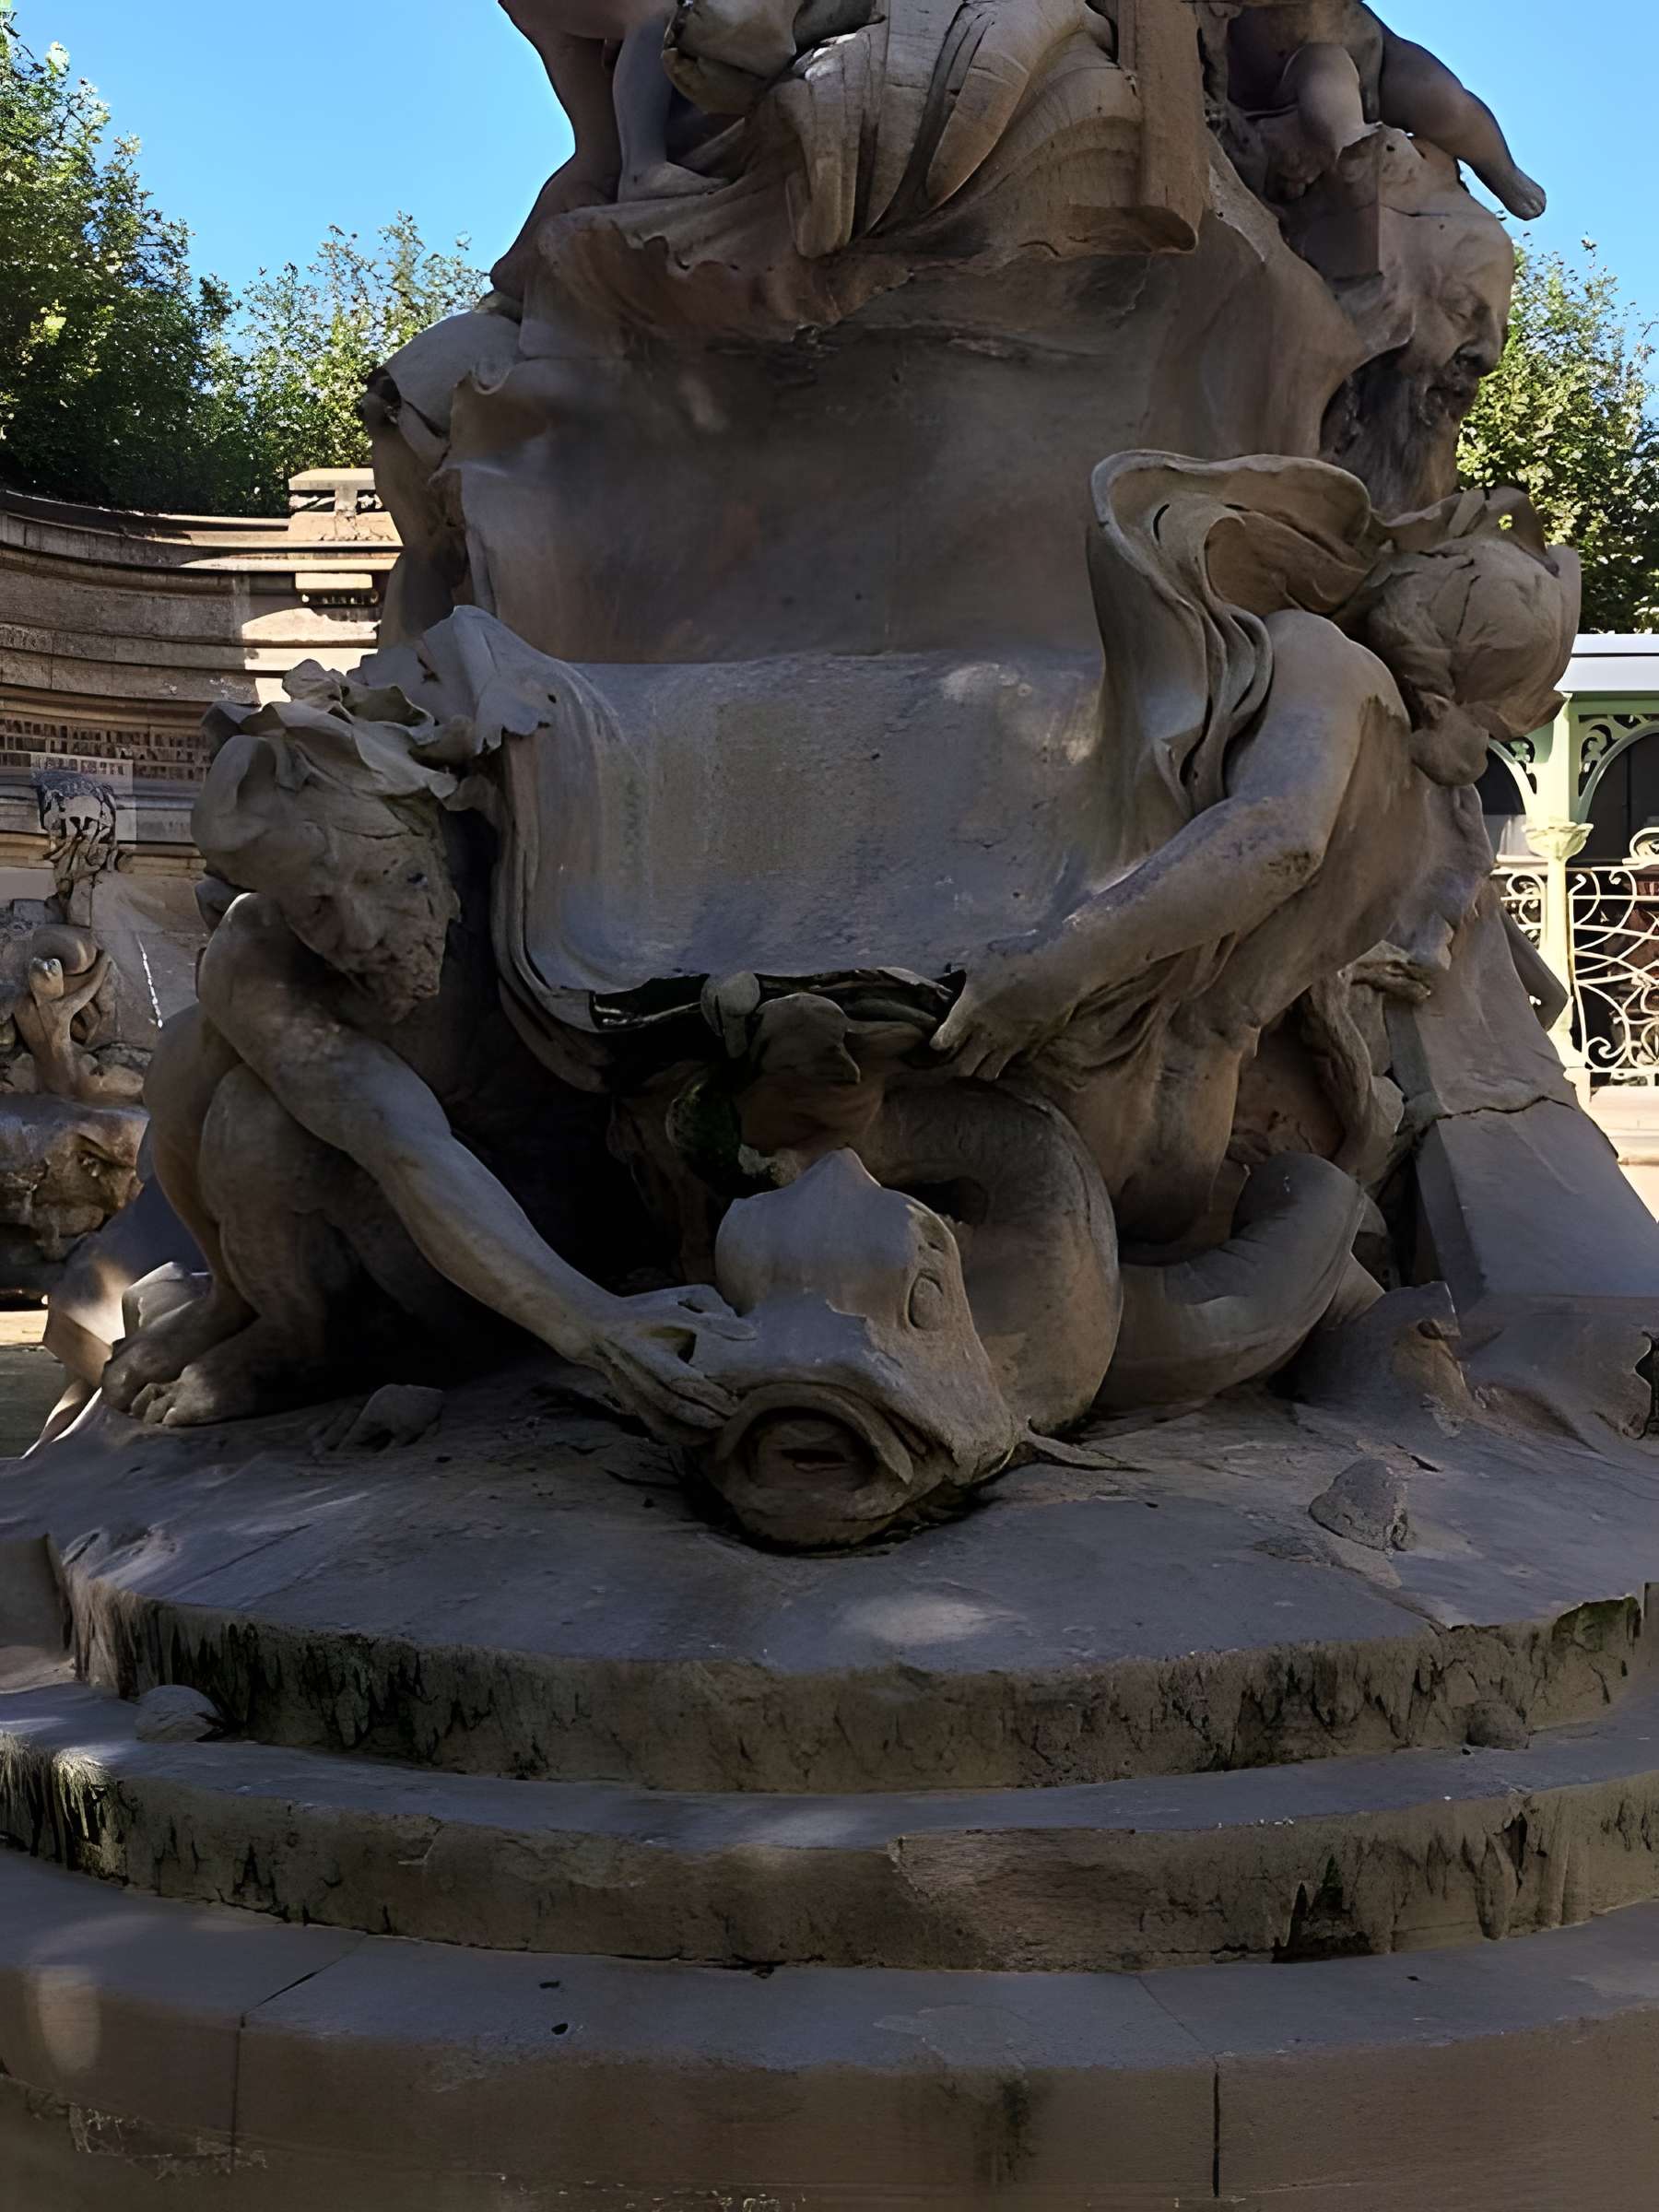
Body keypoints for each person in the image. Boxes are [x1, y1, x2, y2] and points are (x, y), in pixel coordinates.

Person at [933, 455, 1579, 1244]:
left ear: (1433, 590)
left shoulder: (1329, 659)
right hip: (1196, 1127)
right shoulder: (1423, 806)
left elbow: (1279, 837)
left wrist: (1059, 965)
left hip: (1100, 1076)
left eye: (1441, 559)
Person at [102, 665, 749, 1432]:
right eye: (314, 906)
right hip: (416, 1218)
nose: (361, 932)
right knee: (198, 1063)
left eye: (391, 877)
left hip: (560, 1235)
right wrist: (595, 1329)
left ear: (429, 828)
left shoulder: (518, 859)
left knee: (253, 1111)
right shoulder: (259, 957)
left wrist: (594, 1315)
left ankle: (318, 1342)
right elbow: (403, 1144)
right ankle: (268, 1318)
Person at [1225, 0, 1546, 219]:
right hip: (1288, 67)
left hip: (1371, 48)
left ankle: (1501, 168)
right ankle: (1357, 148)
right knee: (1326, 72)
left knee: (1445, 102)